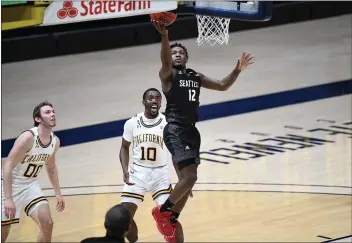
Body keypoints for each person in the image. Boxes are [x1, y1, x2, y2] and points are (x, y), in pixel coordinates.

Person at [150, 20, 255, 237]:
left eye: (181, 52)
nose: (177, 55)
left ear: (187, 58)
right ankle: (163, 211)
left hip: (190, 131)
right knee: (190, 179)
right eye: (174, 52)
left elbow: (223, 85)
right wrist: (165, 37)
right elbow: (165, 60)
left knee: (186, 187)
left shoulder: (195, 76)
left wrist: (237, 70)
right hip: (176, 129)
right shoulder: (168, 76)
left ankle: (170, 220)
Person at [119, 88, 188, 243]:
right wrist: (125, 170)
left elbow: (176, 154)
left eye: (157, 98)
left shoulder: (168, 123)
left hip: (160, 175)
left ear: (161, 102)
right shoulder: (132, 123)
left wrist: (183, 179)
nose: (154, 100)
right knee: (123, 217)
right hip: (137, 173)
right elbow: (124, 147)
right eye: (150, 98)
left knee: (169, 218)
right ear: (144, 102)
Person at [1, 101, 65, 243]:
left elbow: (51, 167)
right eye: (48, 112)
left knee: (47, 223)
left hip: (30, 185)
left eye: (53, 111)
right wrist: (8, 198)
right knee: (3, 234)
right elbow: (7, 166)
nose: (53, 114)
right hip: (11, 185)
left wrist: (58, 193)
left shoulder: (55, 141)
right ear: (38, 119)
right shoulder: (28, 138)